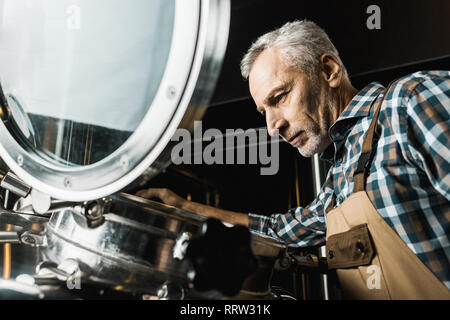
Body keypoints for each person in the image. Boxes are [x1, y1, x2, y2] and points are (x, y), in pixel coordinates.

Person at [136, 20, 449, 299]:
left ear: (328, 71)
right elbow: (278, 233)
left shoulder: (409, 102)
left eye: (279, 97)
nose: (273, 127)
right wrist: (185, 208)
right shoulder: (342, 173)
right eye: (264, 111)